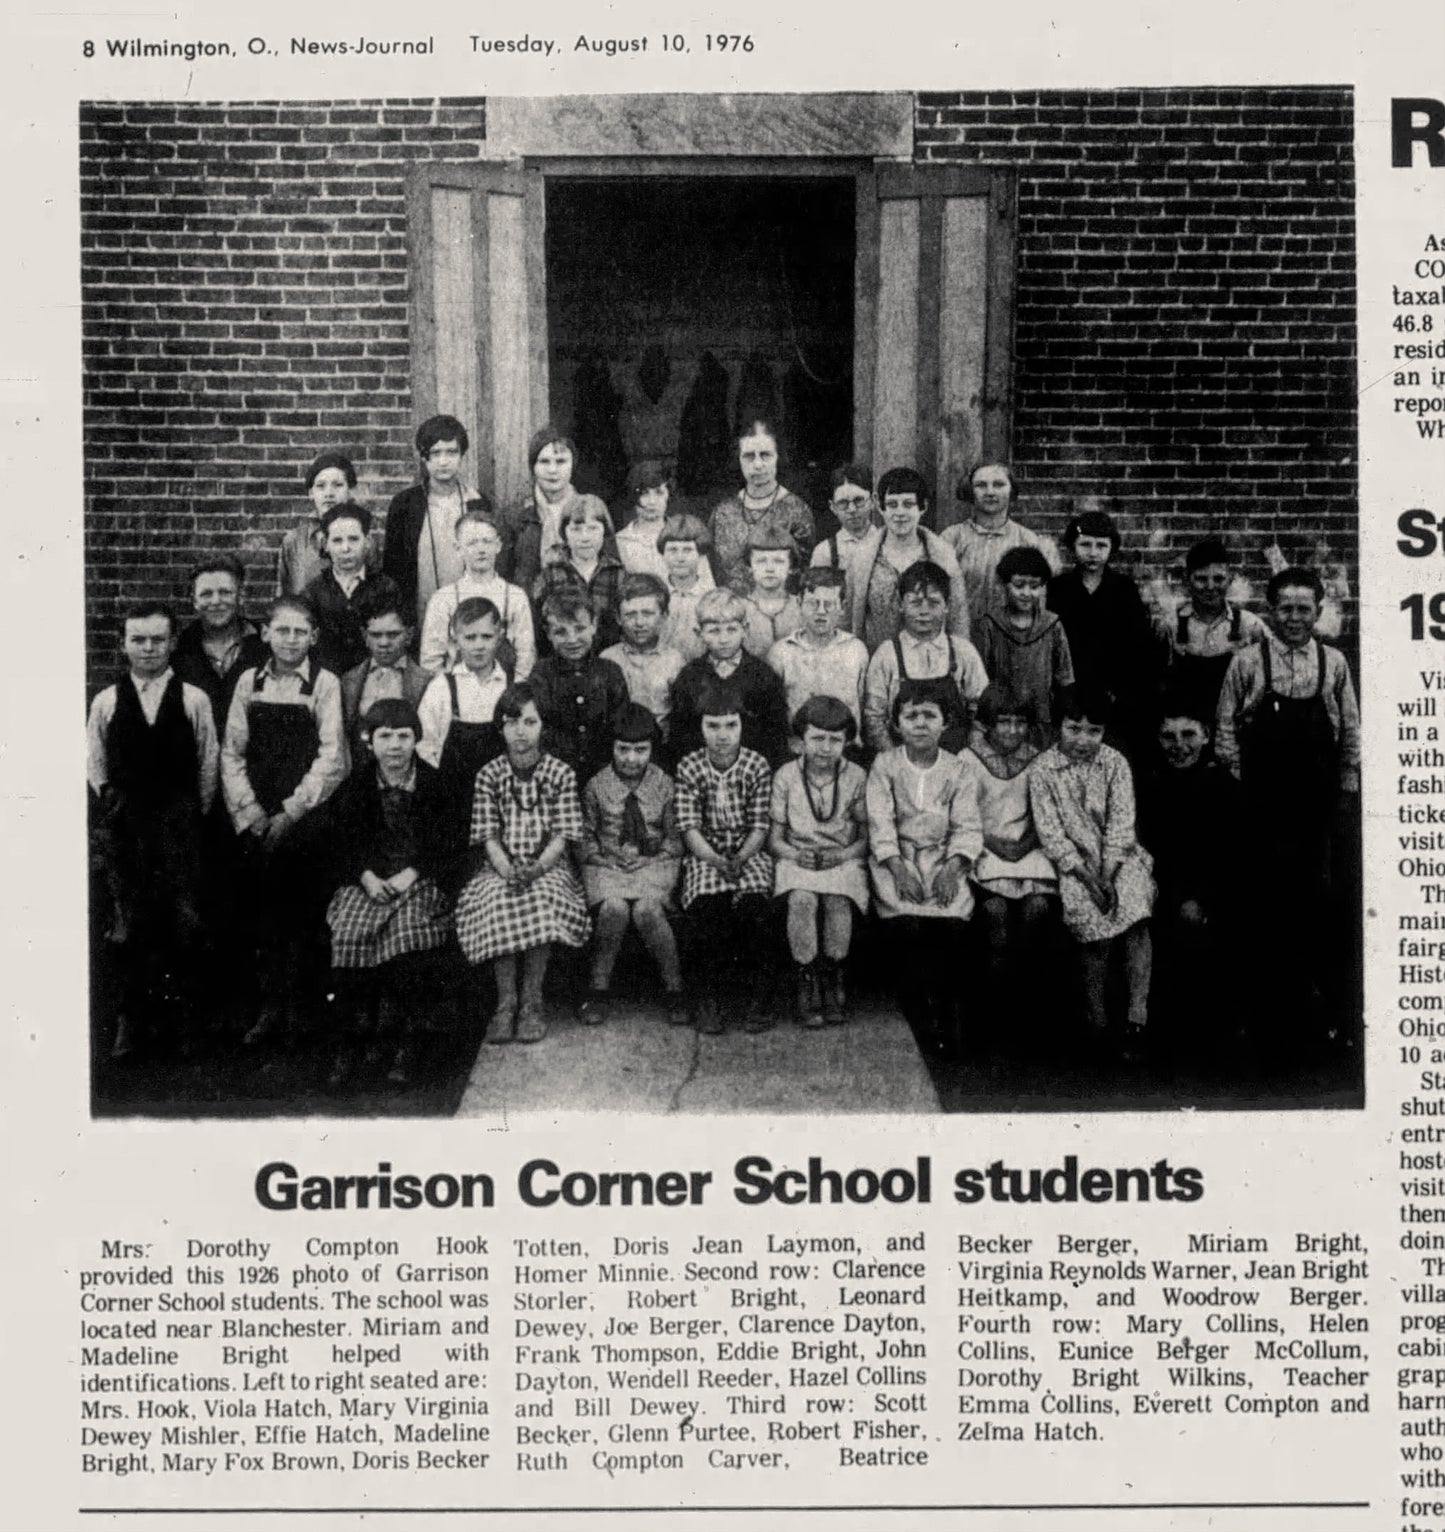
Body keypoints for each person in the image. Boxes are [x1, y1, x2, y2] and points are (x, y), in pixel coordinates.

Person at [1214, 566, 1360, 1041]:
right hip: (1261, 801)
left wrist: (1345, 788)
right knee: (1259, 901)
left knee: (1313, 902)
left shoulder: (1333, 663)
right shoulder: (1248, 662)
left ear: (1317, 611)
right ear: (1271, 611)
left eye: (1304, 609)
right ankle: (1257, 1010)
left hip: (1315, 803)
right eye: (1286, 608)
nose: (1295, 617)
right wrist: (1239, 788)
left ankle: (1312, 1009)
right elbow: (1226, 729)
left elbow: (1350, 733)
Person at [87, 601, 220, 1060]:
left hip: (179, 828)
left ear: (171, 642)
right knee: (128, 926)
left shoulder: (193, 698)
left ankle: (184, 1021)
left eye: (157, 639)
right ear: (124, 644)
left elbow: (208, 763)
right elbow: (96, 766)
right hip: (128, 830)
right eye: (138, 640)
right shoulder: (106, 701)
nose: (148, 648)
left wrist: (191, 818)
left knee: (183, 921)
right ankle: (131, 1021)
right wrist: (115, 812)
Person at [221, 596, 349, 1045]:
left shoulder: (324, 683)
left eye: (301, 632)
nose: (291, 640)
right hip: (257, 818)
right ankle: (270, 1008)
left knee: (307, 917)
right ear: (267, 634)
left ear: (314, 637)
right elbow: (231, 753)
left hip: (306, 820)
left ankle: (306, 1013)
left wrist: (292, 812)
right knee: (263, 916)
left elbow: (333, 757)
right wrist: (251, 811)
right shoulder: (247, 683)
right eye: (283, 631)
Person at [322, 699, 454, 1088]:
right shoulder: (357, 787)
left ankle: (404, 1041)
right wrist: (366, 877)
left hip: (417, 882)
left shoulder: (434, 785)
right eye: (384, 737)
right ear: (368, 741)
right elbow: (343, 842)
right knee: (347, 932)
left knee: (408, 934)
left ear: (417, 739)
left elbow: (447, 846)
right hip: (369, 883)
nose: (394, 746)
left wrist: (411, 874)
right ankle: (354, 1040)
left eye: (403, 736)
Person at [454, 682, 590, 1045]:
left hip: (549, 866)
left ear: (543, 726)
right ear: (500, 727)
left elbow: (563, 835)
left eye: (530, 722)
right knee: (499, 899)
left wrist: (537, 869)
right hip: (500, 866)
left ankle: (532, 1001)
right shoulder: (489, 775)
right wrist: (507, 869)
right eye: (512, 722)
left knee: (540, 898)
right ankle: (505, 1003)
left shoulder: (560, 773)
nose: (521, 732)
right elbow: (488, 836)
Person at [1029, 685, 1155, 1050]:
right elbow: (1051, 834)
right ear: (1059, 726)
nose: (1083, 739)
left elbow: (1121, 822)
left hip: (1118, 859)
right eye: (1074, 728)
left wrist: (1110, 873)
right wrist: (1088, 876)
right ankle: (1096, 1015)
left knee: (1136, 915)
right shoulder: (1043, 770)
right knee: (1092, 927)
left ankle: (1137, 1012)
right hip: (1074, 866)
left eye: (1093, 731)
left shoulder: (1114, 763)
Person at [865, 678, 984, 1057]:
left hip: (942, 856)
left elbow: (967, 825)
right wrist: (898, 867)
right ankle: (920, 1017)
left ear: (945, 723)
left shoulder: (959, 769)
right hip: (896, 858)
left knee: (951, 926)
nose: (920, 723)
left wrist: (952, 868)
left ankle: (951, 1014)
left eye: (929, 715)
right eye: (911, 715)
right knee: (909, 924)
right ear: (896, 723)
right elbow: (880, 822)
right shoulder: (885, 765)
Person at [1136, 694, 1242, 1043]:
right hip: (1162, 893)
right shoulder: (1148, 786)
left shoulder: (1224, 788)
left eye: (1188, 735)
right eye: (1169, 737)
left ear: (1207, 735)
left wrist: (1201, 899)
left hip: (1212, 897)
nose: (1178, 746)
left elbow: (1231, 860)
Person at [674, 680, 776, 1034]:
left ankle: (757, 998)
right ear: (700, 727)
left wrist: (742, 856)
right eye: (712, 726)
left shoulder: (756, 765)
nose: (722, 735)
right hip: (706, 852)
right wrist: (717, 860)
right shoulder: (690, 767)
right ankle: (708, 997)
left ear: (742, 725)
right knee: (708, 910)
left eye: (731, 725)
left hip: (749, 851)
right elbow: (689, 828)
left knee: (755, 910)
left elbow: (760, 825)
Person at [578, 704, 685, 1025]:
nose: (631, 758)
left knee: (647, 910)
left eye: (641, 750)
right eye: (623, 749)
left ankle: (675, 988)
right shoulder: (597, 786)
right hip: (606, 865)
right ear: (611, 747)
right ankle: (598, 988)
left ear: (652, 748)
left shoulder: (665, 784)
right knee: (613, 908)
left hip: (654, 863)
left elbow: (675, 836)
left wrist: (650, 858)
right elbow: (584, 837)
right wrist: (603, 856)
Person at [768, 696, 869, 1028]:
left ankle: (833, 976)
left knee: (838, 900)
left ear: (846, 742)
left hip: (842, 859)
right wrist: (796, 854)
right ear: (800, 742)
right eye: (818, 738)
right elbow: (775, 839)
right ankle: (807, 977)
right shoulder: (786, 776)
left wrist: (843, 854)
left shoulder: (855, 776)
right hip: (798, 858)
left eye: (835, 740)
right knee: (802, 899)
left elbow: (865, 838)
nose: (826, 748)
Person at [961, 684, 1057, 1014]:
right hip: (985, 849)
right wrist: (990, 842)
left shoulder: (1038, 761)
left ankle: (1028, 995)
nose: (1013, 730)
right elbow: (963, 817)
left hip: (1028, 850)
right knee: (995, 913)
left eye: (1020, 722)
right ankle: (995, 1003)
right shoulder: (969, 760)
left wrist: (1027, 843)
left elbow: (1044, 815)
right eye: (1004, 721)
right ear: (988, 722)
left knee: (1037, 910)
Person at [1046, 504, 1156, 755]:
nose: (1093, 553)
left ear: (1111, 549)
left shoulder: (1124, 589)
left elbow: (1138, 647)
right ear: (1073, 547)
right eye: (1085, 545)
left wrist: (1121, 694)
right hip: (1069, 692)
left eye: (1101, 546)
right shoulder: (1058, 589)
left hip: (1112, 696)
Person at [382, 415, 504, 623]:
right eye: (435, 453)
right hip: (421, 615)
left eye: (451, 452)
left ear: (462, 455)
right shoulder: (405, 504)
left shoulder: (478, 502)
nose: (443, 461)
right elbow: (393, 570)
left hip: (471, 616)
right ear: (424, 457)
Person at [862, 561, 989, 757]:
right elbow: (873, 719)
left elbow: (981, 711)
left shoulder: (963, 651)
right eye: (915, 602)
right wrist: (896, 764)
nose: (924, 611)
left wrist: (966, 758)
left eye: (933, 603)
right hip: (900, 763)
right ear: (901, 605)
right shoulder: (886, 655)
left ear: (947, 606)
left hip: (955, 763)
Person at [416, 596, 508, 848]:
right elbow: (426, 747)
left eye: (486, 637)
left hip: (501, 801)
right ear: (455, 639)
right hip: (453, 801)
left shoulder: (509, 687)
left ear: (499, 636)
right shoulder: (442, 687)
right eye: (470, 637)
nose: (479, 645)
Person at [847, 467, 968, 650]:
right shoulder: (862, 558)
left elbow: (958, 619)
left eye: (908, 504)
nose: (900, 513)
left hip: (930, 665)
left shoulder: (942, 557)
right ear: (880, 507)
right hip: (877, 662)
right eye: (892, 504)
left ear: (923, 507)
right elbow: (849, 618)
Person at [671, 588, 790, 768]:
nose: (724, 639)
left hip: (754, 772)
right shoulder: (690, 677)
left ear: (745, 629)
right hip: (702, 771)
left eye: (731, 629)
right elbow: (681, 736)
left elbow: (776, 736)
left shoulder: (762, 676)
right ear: (699, 633)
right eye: (714, 631)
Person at [971, 545, 1075, 747]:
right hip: (1001, 723)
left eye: (1034, 586)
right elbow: (981, 682)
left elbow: (1064, 679)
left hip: (1041, 722)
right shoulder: (990, 625)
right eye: (1019, 585)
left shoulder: (1052, 626)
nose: (1027, 593)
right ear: (1005, 585)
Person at [1157, 537, 1267, 728]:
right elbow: (1156, 684)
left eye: (1218, 579)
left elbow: (1266, 682)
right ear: (1187, 579)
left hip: (1233, 730)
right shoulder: (1170, 626)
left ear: (1230, 579)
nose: (1210, 587)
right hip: (1185, 735)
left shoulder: (1250, 626)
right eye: (1201, 579)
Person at [418, 510, 535, 680]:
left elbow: (526, 656)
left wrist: (514, 694)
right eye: (472, 543)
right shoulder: (443, 599)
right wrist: (448, 693)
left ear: (498, 546)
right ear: (458, 548)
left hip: (505, 692)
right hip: (458, 690)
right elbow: (431, 661)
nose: (481, 549)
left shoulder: (515, 597)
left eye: (487, 542)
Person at [529, 590, 630, 784]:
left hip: (604, 775)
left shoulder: (609, 672)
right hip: (555, 775)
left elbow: (620, 726)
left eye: (580, 628)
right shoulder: (541, 674)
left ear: (594, 626)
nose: (572, 639)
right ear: (548, 633)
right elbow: (541, 729)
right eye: (561, 632)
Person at [939, 460, 1059, 618]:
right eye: (981, 485)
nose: (990, 492)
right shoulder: (952, 538)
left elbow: (1038, 603)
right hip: (962, 634)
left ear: (1011, 490)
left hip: (1010, 636)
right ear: (970, 491)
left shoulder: (1028, 540)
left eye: (998, 484)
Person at [709, 418, 815, 592]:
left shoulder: (797, 511)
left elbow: (802, 578)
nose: (757, 464)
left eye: (765, 455)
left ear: (778, 457)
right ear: (739, 459)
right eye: (749, 456)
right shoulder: (722, 513)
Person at [767, 567, 869, 749]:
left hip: (846, 751)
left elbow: (862, 703)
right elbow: (775, 715)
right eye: (813, 603)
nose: (821, 612)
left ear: (843, 607)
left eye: (829, 604)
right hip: (799, 752)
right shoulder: (782, 653)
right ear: (799, 603)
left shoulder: (856, 650)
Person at [302, 504, 403, 676]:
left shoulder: (386, 588)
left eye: (353, 539)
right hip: (325, 681)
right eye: (337, 540)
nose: (345, 548)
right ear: (325, 544)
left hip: (371, 680)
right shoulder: (313, 592)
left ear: (368, 542)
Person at [171, 554, 267, 733]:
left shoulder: (266, 643)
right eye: (206, 594)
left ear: (240, 596)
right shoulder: (178, 649)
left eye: (225, 592)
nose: (216, 601)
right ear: (194, 601)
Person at [601, 572, 686, 747]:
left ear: (663, 616)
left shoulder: (675, 661)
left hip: (662, 749)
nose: (639, 622)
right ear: (618, 618)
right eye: (630, 615)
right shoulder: (607, 659)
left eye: (647, 613)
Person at [339, 588, 430, 748]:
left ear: (409, 635)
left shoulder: (426, 681)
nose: (384, 643)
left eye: (393, 634)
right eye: (376, 635)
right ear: (365, 636)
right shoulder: (348, 681)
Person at [499, 425, 585, 593]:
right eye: (544, 461)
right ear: (533, 467)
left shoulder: (589, 510)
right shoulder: (513, 517)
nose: (552, 470)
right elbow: (502, 576)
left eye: (561, 461)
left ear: (573, 464)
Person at [279, 451, 377, 596]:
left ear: (350, 490)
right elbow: (283, 598)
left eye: (337, 485)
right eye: (321, 486)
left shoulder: (365, 542)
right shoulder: (293, 542)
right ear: (311, 493)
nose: (329, 493)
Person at [539, 495, 626, 654]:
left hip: (605, 658)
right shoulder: (550, 574)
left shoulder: (617, 574)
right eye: (576, 529)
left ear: (604, 531)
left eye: (592, 528)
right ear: (564, 533)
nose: (585, 538)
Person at [810, 463, 879, 605]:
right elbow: (818, 601)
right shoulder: (825, 552)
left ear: (872, 501)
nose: (852, 509)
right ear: (832, 507)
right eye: (843, 503)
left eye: (859, 501)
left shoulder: (885, 543)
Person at [656, 514, 717, 662]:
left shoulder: (711, 597)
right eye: (672, 550)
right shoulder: (655, 594)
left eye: (687, 550)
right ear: (663, 553)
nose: (680, 558)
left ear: (701, 554)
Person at [739, 523, 802, 657]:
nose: (769, 568)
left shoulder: (801, 607)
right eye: (761, 561)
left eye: (779, 561)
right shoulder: (738, 609)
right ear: (749, 566)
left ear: (791, 567)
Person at [615, 459, 673, 578]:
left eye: (659, 492)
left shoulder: (685, 535)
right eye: (644, 493)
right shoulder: (620, 542)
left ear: (668, 494)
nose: (652, 501)